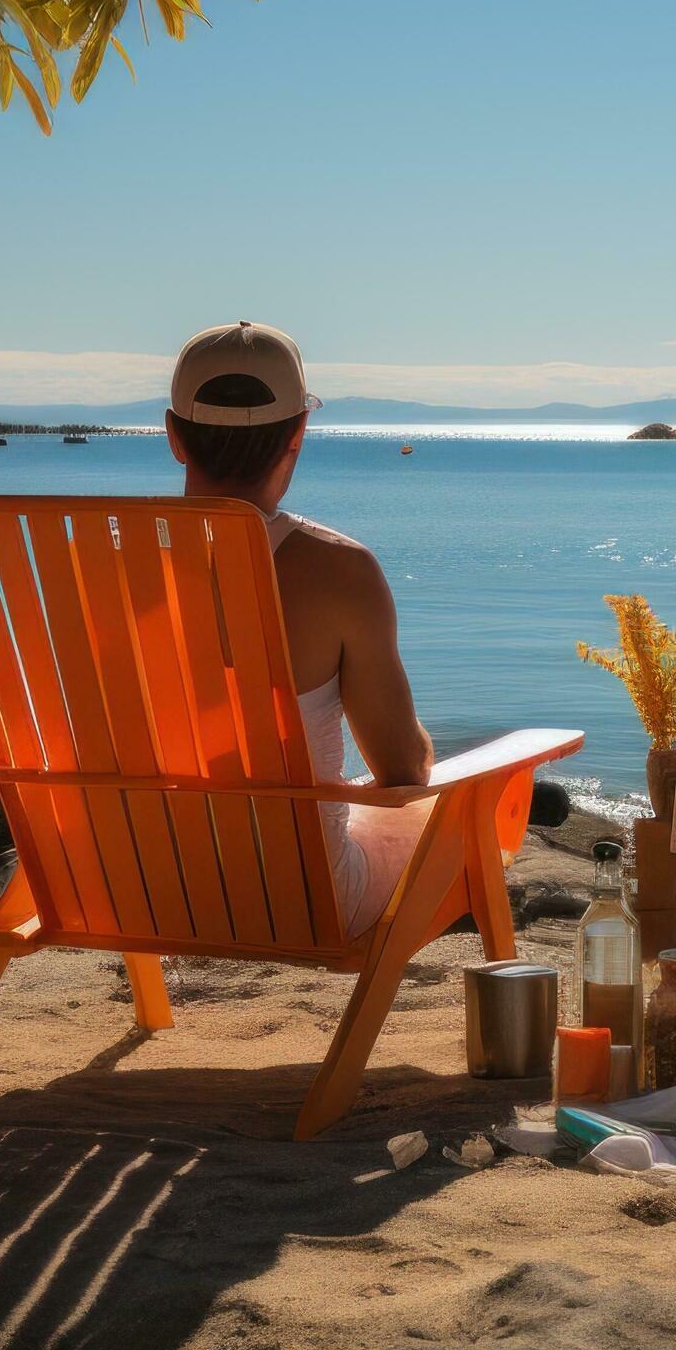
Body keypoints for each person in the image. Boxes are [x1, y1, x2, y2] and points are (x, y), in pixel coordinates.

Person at [162, 321, 433, 937]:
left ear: (175, 436)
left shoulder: (102, 560)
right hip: (298, 901)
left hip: (126, 887)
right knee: (442, 816)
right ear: (298, 435)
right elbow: (401, 772)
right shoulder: (339, 572)